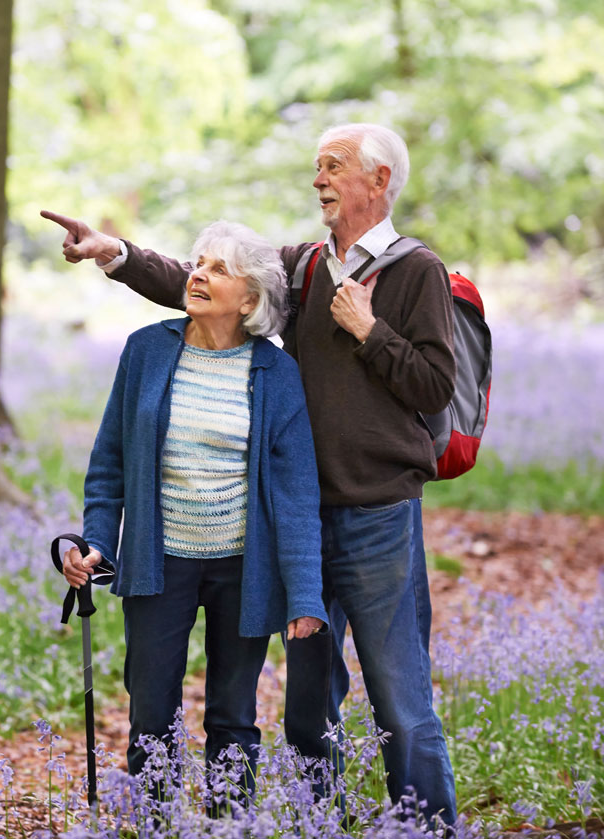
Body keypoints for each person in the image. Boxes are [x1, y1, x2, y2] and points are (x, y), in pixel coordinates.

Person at [41, 122, 458, 826]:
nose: (319, 179)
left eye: (334, 167)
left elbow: (434, 385)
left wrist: (369, 328)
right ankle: (315, 819)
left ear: (378, 180)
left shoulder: (417, 271)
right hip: (293, 519)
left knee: (400, 697)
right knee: (307, 704)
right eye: (317, 166)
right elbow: (212, 287)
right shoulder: (302, 268)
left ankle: (430, 823)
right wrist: (115, 254)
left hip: (377, 513)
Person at [51, 219, 327, 802]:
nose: (198, 275)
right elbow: (110, 464)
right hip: (159, 561)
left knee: (233, 715)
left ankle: (233, 822)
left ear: (250, 299)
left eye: (218, 269)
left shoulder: (277, 374)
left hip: (243, 568)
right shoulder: (147, 351)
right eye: (197, 263)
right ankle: (158, 822)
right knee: (151, 709)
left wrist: (304, 593)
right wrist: (97, 541)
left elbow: (298, 493)